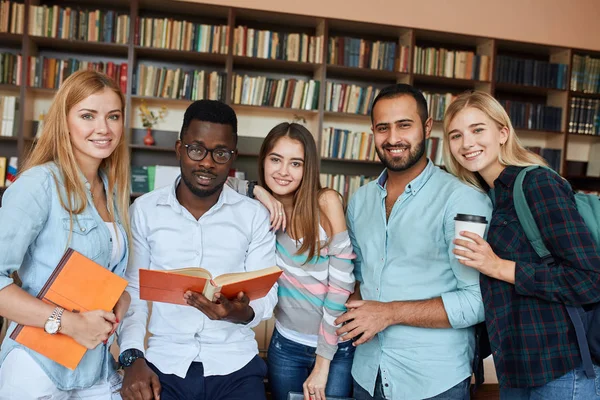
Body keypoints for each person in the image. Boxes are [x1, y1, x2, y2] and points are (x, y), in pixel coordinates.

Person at [334, 83, 493, 400]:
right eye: (383, 128)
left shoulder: (462, 199)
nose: (393, 139)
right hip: (365, 373)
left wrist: (388, 313)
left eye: (404, 125)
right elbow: (357, 280)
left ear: (427, 127)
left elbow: (478, 300)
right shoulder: (360, 200)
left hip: (434, 381)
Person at [442, 90, 600, 399]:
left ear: (502, 133)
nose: (467, 143)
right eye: (456, 135)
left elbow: (589, 279)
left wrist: (499, 266)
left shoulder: (536, 183)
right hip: (515, 368)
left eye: (477, 130)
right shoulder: (486, 197)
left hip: (562, 368)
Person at [118, 100, 277, 400]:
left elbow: (266, 295)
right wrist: (132, 358)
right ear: (179, 149)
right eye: (196, 149)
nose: (207, 162)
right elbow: (134, 294)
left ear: (233, 158)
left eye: (220, 153)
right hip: (165, 363)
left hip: (236, 366)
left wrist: (237, 312)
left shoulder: (254, 215)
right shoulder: (145, 211)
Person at [0, 70, 132, 399]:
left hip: (95, 366)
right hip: (38, 366)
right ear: (64, 120)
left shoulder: (114, 192)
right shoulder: (38, 184)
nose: (104, 128)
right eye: (88, 115)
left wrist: (121, 301)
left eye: (113, 116)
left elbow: (109, 275)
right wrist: (69, 323)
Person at [243, 122, 356, 400]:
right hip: (286, 346)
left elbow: (341, 286)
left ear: (308, 169)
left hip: (335, 349)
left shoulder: (326, 203)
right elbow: (220, 185)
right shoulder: (260, 211)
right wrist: (257, 190)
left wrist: (322, 362)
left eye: (295, 163)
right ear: (263, 161)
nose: (283, 171)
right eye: (275, 159)